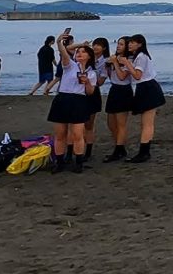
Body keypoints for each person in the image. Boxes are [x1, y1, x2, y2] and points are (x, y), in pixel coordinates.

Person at [47, 29, 95, 174]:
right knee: (60, 134)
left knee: (77, 134)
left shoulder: (91, 72)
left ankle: (78, 162)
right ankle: (59, 162)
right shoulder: (70, 65)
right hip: (63, 98)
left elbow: (90, 92)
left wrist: (87, 82)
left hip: (79, 100)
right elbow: (64, 52)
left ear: (89, 56)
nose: (79, 53)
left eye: (83, 52)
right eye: (78, 51)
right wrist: (59, 42)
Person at [126, 34, 165, 164]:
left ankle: (144, 152)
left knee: (147, 123)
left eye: (133, 42)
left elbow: (137, 75)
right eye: (129, 42)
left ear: (140, 44)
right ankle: (144, 151)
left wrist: (127, 64)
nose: (130, 45)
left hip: (148, 88)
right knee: (145, 123)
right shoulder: (138, 57)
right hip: (144, 87)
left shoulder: (141, 57)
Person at [103, 36, 135, 163]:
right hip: (114, 89)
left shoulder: (129, 60)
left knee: (121, 123)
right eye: (118, 44)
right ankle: (120, 147)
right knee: (111, 123)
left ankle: (118, 149)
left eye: (121, 44)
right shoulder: (114, 58)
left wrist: (116, 63)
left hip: (124, 90)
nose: (118, 46)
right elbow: (110, 75)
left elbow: (122, 76)